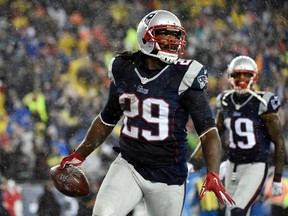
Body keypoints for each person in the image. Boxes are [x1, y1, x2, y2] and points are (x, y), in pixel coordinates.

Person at [59, 10, 235, 216]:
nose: (172, 41)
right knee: (102, 213)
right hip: (129, 165)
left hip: (168, 175)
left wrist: (212, 172)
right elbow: (107, 119)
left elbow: (208, 131)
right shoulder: (123, 68)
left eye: (175, 36)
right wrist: (79, 155)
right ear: (146, 36)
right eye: (165, 34)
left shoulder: (184, 75)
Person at [215, 55, 286, 216]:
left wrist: (277, 178)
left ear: (254, 77)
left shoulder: (262, 102)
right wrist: (192, 161)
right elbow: (213, 136)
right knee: (226, 212)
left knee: (237, 211)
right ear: (230, 76)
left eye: (246, 74)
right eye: (237, 74)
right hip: (232, 165)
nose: (241, 79)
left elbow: (279, 141)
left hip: (255, 165)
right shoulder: (225, 101)